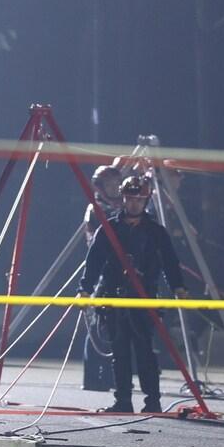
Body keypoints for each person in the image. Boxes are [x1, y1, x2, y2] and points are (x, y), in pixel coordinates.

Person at [77, 176, 188, 414]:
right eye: (130, 198)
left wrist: (178, 287)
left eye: (139, 199)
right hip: (114, 299)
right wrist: (84, 289)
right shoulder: (109, 228)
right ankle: (123, 401)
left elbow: (170, 261)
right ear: (123, 198)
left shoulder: (156, 232)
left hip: (143, 298)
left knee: (145, 352)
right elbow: (94, 261)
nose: (134, 204)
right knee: (120, 353)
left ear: (146, 199)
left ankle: (152, 401)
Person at [81, 165, 122, 391]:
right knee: (98, 327)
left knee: (114, 326)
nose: (115, 188)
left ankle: (110, 375)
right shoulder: (96, 209)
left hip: (118, 271)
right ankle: (93, 378)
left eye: (117, 183)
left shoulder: (122, 205)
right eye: (110, 184)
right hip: (100, 270)